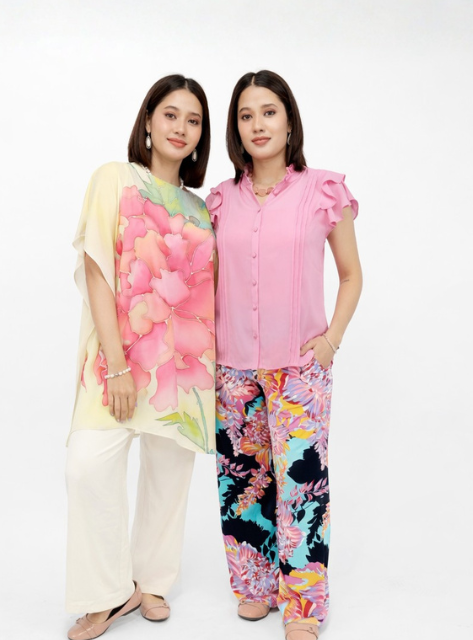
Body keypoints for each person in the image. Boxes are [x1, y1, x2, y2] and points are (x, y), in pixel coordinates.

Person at [206, 70, 362, 640]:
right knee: (242, 480)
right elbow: (212, 283)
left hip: (299, 369)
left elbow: (351, 275)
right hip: (232, 367)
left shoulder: (323, 191)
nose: (258, 124)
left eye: (268, 112)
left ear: (289, 120)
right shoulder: (220, 201)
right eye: (246, 115)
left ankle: (303, 607)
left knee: (302, 486)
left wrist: (330, 340)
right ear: (236, 128)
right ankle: (254, 586)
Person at [65, 74, 215, 640]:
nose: (181, 128)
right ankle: (105, 593)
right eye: (170, 114)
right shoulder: (115, 179)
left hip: (182, 371)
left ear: (201, 136)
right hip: (118, 362)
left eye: (193, 120)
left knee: (168, 477)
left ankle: (149, 582)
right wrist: (118, 364)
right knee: (87, 466)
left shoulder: (202, 210)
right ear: (148, 119)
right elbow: (97, 270)